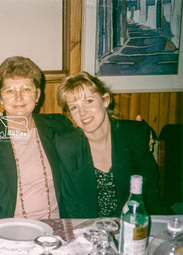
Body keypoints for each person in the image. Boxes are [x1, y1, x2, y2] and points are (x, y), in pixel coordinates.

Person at [0, 56, 74, 220]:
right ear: (0, 97)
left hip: (56, 226)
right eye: (10, 91)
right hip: (7, 231)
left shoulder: (58, 126)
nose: (18, 97)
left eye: (26, 89)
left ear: (37, 95)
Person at [55, 71, 161, 218]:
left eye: (89, 101)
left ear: (105, 100)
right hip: (88, 229)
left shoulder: (134, 135)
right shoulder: (67, 146)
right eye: (74, 107)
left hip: (131, 222)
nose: (82, 112)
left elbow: (149, 193)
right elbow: (71, 205)